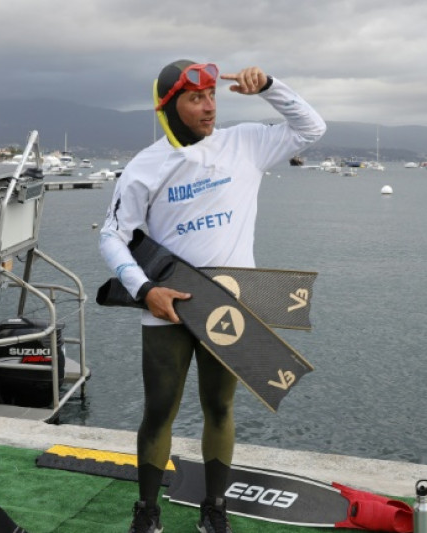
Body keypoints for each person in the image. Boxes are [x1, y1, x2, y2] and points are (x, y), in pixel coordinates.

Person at [99, 61, 326, 533]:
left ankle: (214, 507)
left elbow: (311, 128)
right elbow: (111, 236)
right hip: (168, 305)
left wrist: (268, 86)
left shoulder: (245, 143)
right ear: (168, 106)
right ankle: (147, 511)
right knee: (159, 410)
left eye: (211, 96)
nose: (209, 107)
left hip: (229, 304)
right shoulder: (145, 166)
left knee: (220, 408)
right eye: (195, 98)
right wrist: (145, 290)